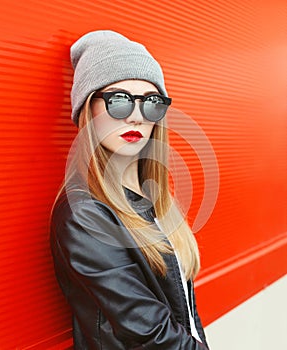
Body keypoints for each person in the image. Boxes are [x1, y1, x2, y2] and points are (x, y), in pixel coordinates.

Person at [50, 30, 209, 349]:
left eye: (151, 102)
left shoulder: (151, 200)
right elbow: (151, 334)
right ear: (88, 108)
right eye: (119, 100)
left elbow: (185, 314)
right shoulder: (84, 216)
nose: (136, 116)